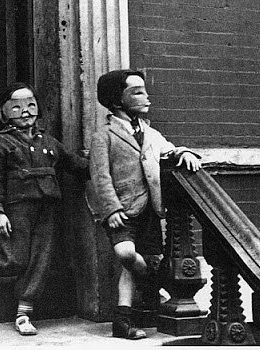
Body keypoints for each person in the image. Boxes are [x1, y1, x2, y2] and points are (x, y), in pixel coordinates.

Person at [0, 82, 89, 336]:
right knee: (15, 259)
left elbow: (73, 163)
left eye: (30, 105)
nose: (25, 112)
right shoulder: (1, 143)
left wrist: (101, 165)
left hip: (47, 207)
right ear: (4, 113)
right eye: (16, 107)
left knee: (40, 259)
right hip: (18, 208)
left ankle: (24, 313)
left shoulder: (48, 142)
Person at [89, 69, 201, 339]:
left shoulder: (150, 133)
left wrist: (184, 152)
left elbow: (168, 149)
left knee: (135, 264)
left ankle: (122, 321)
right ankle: (150, 282)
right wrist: (111, 209)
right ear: (117, 101)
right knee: (127, 255)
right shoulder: (103, 136)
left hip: (150, 210)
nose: (146, 96)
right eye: (137, 92)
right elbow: (100, 176)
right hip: (121, 210)